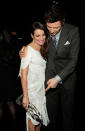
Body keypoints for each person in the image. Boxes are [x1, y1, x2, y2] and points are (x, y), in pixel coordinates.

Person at [20, 2, 80, 131]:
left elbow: (73, 61)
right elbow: (36, 42)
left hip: (68, 81)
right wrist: (24, 49)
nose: (52, 31)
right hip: (47, 81)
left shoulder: (73, 31)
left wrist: (58, 78)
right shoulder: (45, 33)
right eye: (49, 27)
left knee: (67, 117)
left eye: (56, 28)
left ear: (63, 22)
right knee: (49, 117)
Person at [19, 21, 49, 131]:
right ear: (32, 36)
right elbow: (23, 75)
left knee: (39, 122)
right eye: (37, 35)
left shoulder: (43, 48)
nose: (41, 38)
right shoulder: (27, 50)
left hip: (41, 91)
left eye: (43, 35)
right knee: (32, 122)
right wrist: (26, 96)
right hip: (31, 93)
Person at [0, 26, 19, 130]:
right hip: (9, 78)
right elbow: (16, 63)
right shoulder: (12, 47)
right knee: (10, 103)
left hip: (1, 78)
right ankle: (15, 123)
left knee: (0, 104)